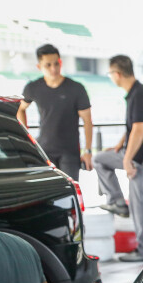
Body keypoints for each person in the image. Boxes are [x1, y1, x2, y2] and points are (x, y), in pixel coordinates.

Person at [94, 54, 143, 262]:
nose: (111, 77)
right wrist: (119, 145)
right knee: (101, 159)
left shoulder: (139, 95)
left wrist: (126, 159)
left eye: (110, 74)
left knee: (141, 206)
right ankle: (117, 202)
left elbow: (139, 130)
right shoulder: (135, 93)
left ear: (117, 73)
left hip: (140, 159)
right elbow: (134, 126)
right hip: (135, 153)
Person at [16, 44, 94, 181]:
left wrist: (88, 151)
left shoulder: (76, 88)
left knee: (70, 191)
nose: (54, 68)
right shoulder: (33, 88)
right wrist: (25, 135)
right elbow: (21, 108)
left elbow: (87, 120)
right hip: (45, 149)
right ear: (39, 67)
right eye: (48, 65)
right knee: (48, 192)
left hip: (70, 152)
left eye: (56, 63)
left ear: (60, 62)